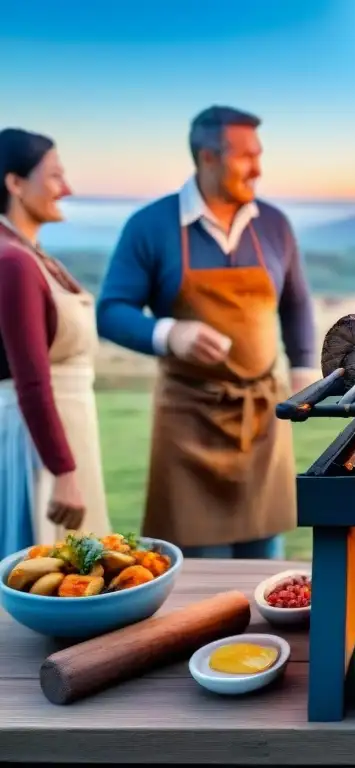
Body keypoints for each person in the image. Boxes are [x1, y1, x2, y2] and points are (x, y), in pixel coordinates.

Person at [96, 106, 319, 559]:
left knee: (264, 566)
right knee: (200, 580)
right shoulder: (151, 226)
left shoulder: (273, 224)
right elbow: (111, 310)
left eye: (259, 154)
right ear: (207, 158)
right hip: (189, 425)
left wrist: (301, 366)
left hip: (260, 420)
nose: (258, 168)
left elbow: (295, 301)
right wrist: (169, 333)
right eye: (245, 157)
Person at [0, 128, 110, 557]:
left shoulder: (29, 254)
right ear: (14, 183)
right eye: (54, 176)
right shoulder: (13, 263)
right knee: (52, 567)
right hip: (41, 441)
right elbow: (31, 380)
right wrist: (62, 471)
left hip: (67, 428)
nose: (67, 189)